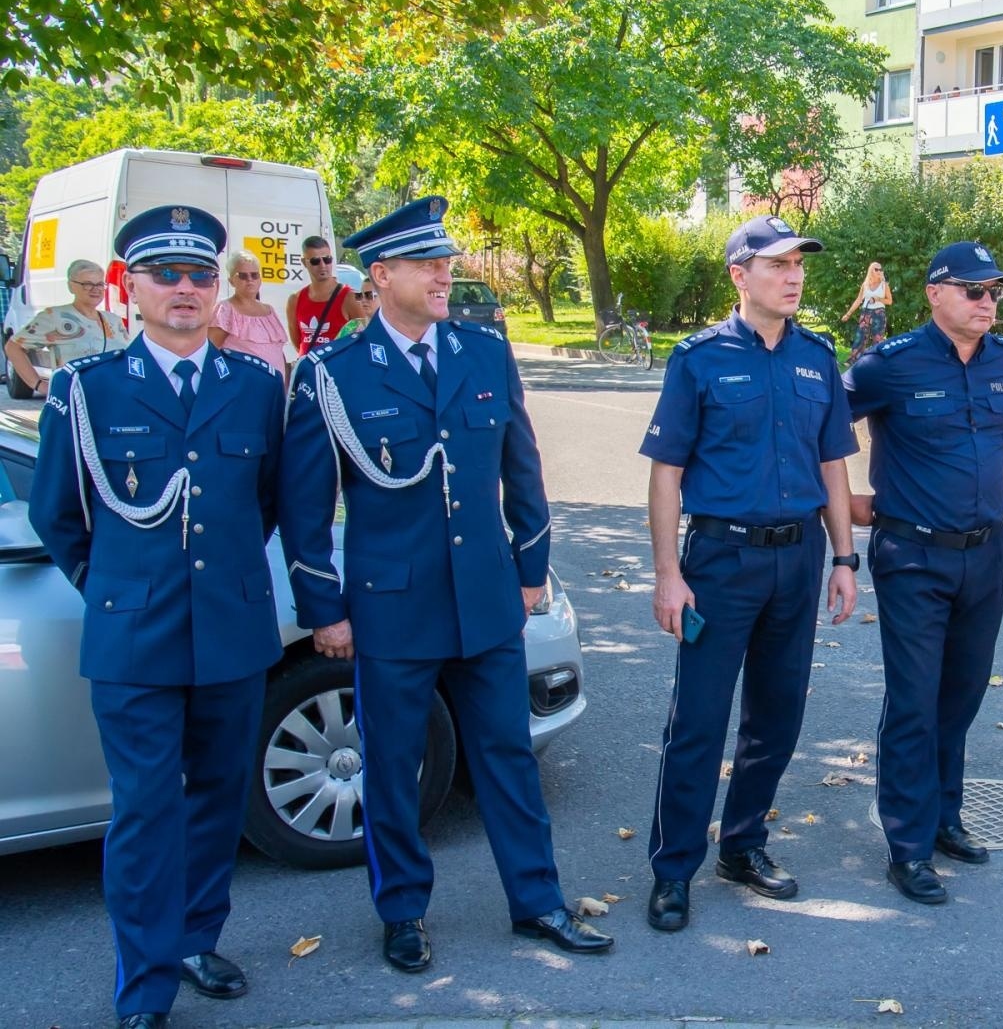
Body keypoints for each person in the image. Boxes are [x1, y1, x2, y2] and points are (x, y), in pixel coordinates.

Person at [277, 196, 613, 972]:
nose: (443, 275)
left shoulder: (482, 351)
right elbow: (303, 507)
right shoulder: (332, 374)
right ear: (381, 275)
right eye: (427, 264)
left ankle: (538, 900)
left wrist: (530, 569)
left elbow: (521, 467)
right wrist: (324, 609)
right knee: (395, 766)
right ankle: (401, 910)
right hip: (392, 606)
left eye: (446, 262)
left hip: (486, 597)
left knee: (508, 757)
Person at [28, 207, 286, 1029]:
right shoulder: (86, 389)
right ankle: (143, 983)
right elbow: (56, 514)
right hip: (133, 638)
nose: (185, 288)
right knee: (144, 810)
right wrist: (115, 587)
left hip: (232, 631)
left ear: (216, 288)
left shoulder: (255, 386)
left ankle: (195, 939)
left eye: (200, 274)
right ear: (129, 287)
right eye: (165, 274)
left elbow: (265, 502)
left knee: (218, 799)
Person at [639, 214, 858, 933]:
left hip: (798, 558)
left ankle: (742, 844)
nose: (794, 277)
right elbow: (666, 474)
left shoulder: (817, 357)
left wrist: (844, 557)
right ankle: (673, 869)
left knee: (777, 715)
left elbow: (833, 464)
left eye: (798, 265)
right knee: (698, 721)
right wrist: (667, 574)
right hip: (720, 562)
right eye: (777, 265)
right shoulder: (698, 359)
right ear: (740, 276)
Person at [843, 241, 1003, 903]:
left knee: (962, 694)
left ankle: (946, 815)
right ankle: (909, 844)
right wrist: (849, 504)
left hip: (986, 550)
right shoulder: (889, 365)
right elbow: (823, 430)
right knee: (915, 701)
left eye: (993, 292)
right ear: (934, 293)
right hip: (913, 555)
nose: (986, 302)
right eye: (973, 290)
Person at [5, 258, 131, 396]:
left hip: (114, 396)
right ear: (71, 286)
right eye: (87, 284)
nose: (95, 289)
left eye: (100, 284)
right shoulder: (54, 317)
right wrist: (39, 385)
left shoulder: (113, 320)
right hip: (74, 398)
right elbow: (13, 347)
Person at [208, 249, 288, 378]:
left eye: (254, 275)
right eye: (243, 276)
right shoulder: (225, 309)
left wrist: (285, 385)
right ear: (231, 280)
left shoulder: (269, 310)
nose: (250, 280)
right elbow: (210, 353)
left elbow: (279, 352)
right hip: (240, 386)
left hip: (275, 387)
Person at [285, 235, 361, 356]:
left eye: (327, 259)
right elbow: (298, 342)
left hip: (337, 365)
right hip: (308, 365)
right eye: (315, 261)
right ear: (304, 263)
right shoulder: (295, 300)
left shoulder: (349, 298)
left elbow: (363, 338)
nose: (323, 266)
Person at [840, 261, 893, 370]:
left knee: (878, 339)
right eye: (876, 269)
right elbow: (858, 300)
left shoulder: (884, 285)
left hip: (879, 313)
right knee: (860, 336)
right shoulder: (865, 285)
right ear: (871, 271)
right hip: (865, 312)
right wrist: (848, 314)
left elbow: (889, 301)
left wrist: (878, 299)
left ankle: (876, 363)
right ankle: (852, 361)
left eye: (880, 269)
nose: (879, 271)